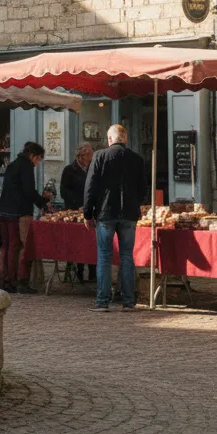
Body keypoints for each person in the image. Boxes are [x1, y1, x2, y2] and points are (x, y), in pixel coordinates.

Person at [83, 124, 147, 313]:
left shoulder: (100, 156)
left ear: (110, 139)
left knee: (104, 256)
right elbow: (143, 189)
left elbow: (90, 186)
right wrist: (135, 202)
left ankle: (103, 301)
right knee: (127, 256)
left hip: (105, 212)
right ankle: (128, 301)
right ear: (125, 139)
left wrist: (87, 213)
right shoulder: (136, 159)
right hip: (128, 213)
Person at [0, 141, 52, 294]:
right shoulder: (26, 166)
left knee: (7, 246)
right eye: (38, 159)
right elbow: (28, 191)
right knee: (20, 246)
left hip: (3, 210)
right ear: (32, 155)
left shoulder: (13, 164)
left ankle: (4, 279)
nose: (37, 163)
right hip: (18, 212)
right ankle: (19, 280)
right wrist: (43, 202)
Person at [61, 142, 96, 284]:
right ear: (80, 156)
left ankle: (93, 272)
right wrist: (77, 205)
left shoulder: (93, 168)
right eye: (88, 155)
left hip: (90, 210)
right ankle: (79, 271)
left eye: (91, 154)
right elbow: (64, 191)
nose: (90, 157)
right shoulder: (69, 170)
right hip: (74, 211)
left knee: (92, 241)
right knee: (78, 241)